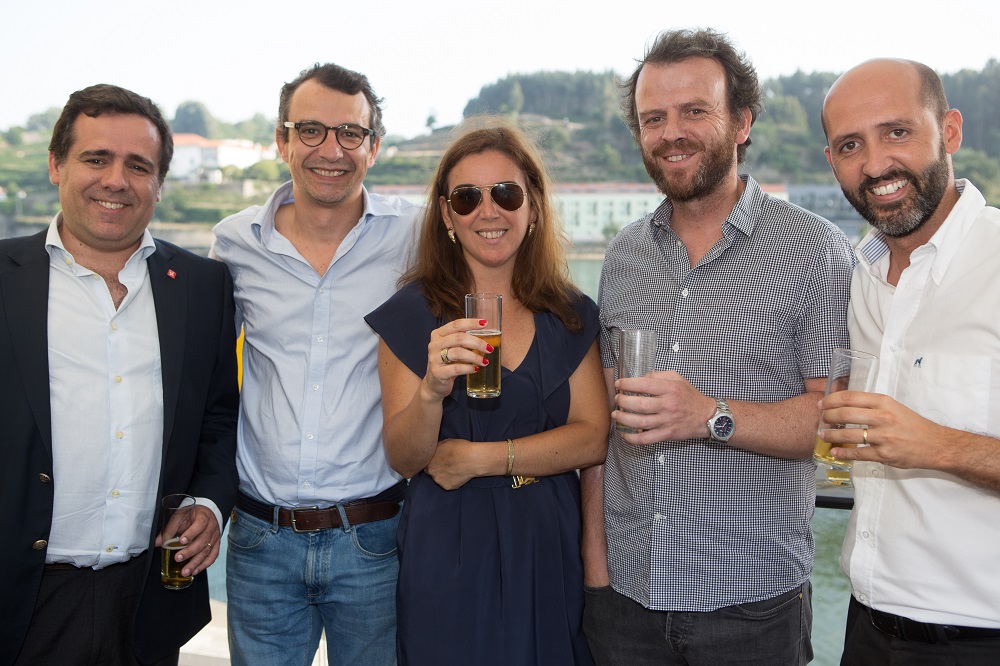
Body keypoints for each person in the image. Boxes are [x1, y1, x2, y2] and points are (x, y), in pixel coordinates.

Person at [580, 29, 855, 665]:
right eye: (653, 118)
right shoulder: (624, 254)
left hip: (751, 607)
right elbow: (602, 423)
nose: (671, 133)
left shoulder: (815, 250)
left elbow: (831, 422)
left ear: (742, 122)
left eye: (694, 111)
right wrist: (596, 568)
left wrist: (707, 414)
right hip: (626, 600)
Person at [0, 84, 239, 666]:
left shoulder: (204, 287)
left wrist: (209, 503)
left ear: (159, 183)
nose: (116, 181)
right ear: (56, 165)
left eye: (138, 165)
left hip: (148, 601)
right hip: (19, 599)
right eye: (96, 158)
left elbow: (219, 418)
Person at [365, 118, 609, 665]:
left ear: (533, 205)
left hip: (545, 542)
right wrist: (431, 391)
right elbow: (404, 458)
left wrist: (483, 459)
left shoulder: (569, 315)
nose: (488, 211)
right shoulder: (411, 315)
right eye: (467, 198)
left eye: (506, 193)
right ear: (447, 214)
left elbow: (593, 438)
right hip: (448, 545)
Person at [211, 63, 421, 665]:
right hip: (260, 540)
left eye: (350, 133)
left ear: (373, 147)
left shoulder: (415, 234)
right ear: (282, 141)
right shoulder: (234, 244)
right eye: (310, 130)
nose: (331, 150)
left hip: (377, 539)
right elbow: (203, 377)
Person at [820, 58, 1000, 664]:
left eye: (896, 132)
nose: (875, 165)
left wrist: (937, 445)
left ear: (949, 131)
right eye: (851, 145)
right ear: (832, 162)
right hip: (867, 628)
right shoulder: (861, 277)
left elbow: (923, 442)